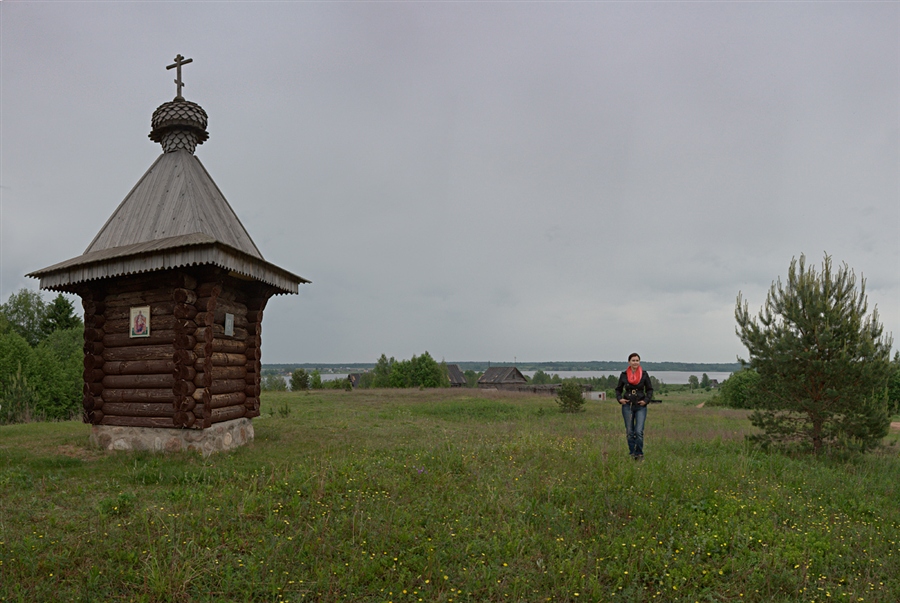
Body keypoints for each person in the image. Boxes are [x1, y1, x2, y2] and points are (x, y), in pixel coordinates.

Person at [616, 353, 653, 460]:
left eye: (637, 360)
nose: (635, 362)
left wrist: (646, 400)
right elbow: (618, 389)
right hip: (627, 405)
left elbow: (650, 389)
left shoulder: (644, 374)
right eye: (633, 360)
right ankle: (632, 453)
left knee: (639, 431)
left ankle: (639, 453)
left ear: (639, 362)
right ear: (629, 362)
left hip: (640, 406)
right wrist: (619, 399)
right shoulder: (624, 375)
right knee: (629, 431)